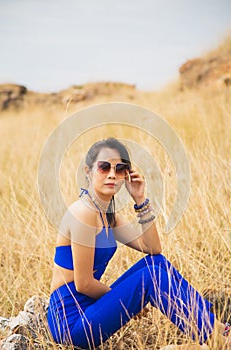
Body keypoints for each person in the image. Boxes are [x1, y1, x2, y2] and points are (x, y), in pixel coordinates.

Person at [47, 138, 230, 349]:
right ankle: (216, 339)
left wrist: (140, 199)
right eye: (104, 167)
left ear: (126, 175)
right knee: (150, 277)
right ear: (88, 171)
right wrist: (130, 298)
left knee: (156, 263)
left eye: (120, 168)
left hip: (91, 308)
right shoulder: (83, 213)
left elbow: (152, 248)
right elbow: (83, 283)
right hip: (72, 323)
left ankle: (217, 327)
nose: (112, 174)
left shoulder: (108, 215)